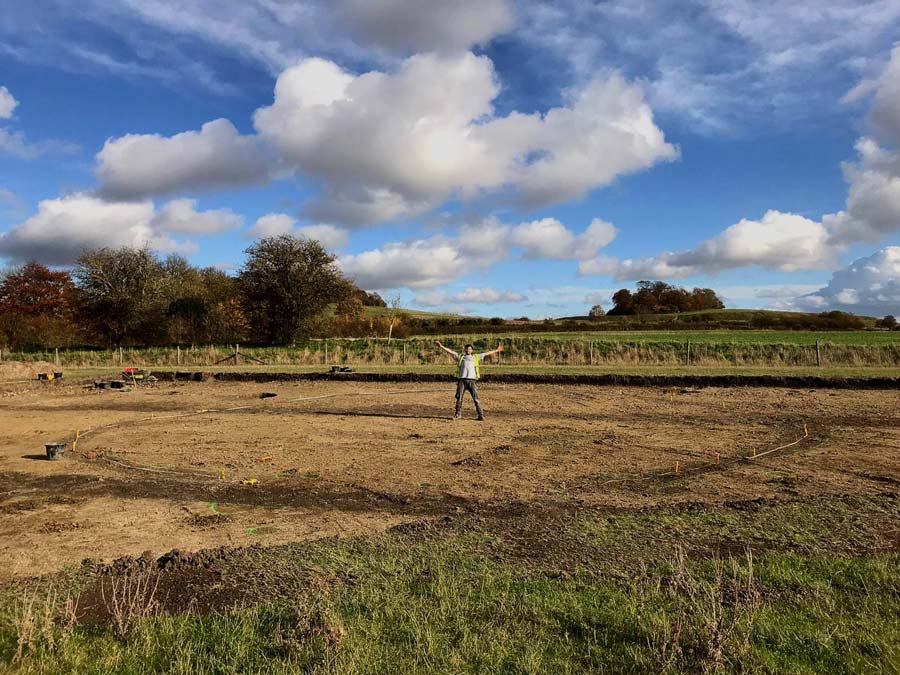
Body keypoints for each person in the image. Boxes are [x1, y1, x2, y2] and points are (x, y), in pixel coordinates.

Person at [435, 341, 504, 420]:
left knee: (476, 399)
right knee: (459, 398)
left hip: (472, 381)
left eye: (470, 349)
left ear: (472, 350)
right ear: (465, 350)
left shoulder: (476, 357)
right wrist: (441, 346)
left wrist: (496, 350)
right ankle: (458, 414)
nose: (468, 350)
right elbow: (450, 351)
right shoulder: (460, 356)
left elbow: (486, 353)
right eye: (467, 349)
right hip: (462, 381)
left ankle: (480, 415)